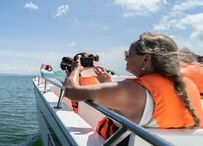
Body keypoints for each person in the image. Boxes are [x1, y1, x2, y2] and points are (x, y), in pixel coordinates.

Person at [64, 32, 203, 133]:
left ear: (145, 59)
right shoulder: (187, 85)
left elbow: (72, 92)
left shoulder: (131, 90)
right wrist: (107, 82)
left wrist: (76, 70)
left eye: (128, 54)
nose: (125, 58)